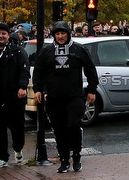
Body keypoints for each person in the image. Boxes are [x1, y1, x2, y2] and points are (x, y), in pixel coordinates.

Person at [33, 21, 99, 172]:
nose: (60, 36)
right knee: (59, 129)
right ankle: (64, 159)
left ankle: (76, 155)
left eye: (63, 33)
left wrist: (92, 90)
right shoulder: (47, 51)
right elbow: (38, 72)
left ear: (68, 34)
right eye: (57, 33)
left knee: (73, 125)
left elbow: (90, 69)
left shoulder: (79, 49)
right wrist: (38, 90)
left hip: (74, 96)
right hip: (54, 98)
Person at [0, 23, 30, 168]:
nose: (0, 36)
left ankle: (18, 149)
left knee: (17, 127)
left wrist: (22, 86)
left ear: (8, 35)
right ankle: (2, 157)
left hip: (14, 96)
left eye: (3, 34)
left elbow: (24, 71)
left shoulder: (17, 52)